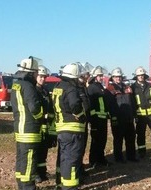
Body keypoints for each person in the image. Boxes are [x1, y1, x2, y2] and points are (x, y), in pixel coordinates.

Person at [52, 62, 87, 190]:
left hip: (61, 129)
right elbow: (75, 105)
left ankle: (60, 183)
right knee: (72, 160)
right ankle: (70, 187)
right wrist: (82, 116)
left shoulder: (58, 86)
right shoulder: (71, 88)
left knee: (64, 158)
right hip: (72, 129)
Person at [11, 57, 43, 190]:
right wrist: (41, 116)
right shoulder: (29, 86)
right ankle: (28, 186)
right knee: (29, 161)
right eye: (36, 72)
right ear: (30, 73)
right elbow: (34, 108)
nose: (37, 75)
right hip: (29, 129)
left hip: (19, 128)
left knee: (21, 160)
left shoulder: (16, 85)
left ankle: (21, 185)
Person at [106, 67, 138, 163]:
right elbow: (109, 105)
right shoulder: (109, 89)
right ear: (112, 78)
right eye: (116, 77)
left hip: (128, 117)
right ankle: (119, 158)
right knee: (118, 139)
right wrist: (113, 116)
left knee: (131, 138)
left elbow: (133, 102)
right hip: (118, 118)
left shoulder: (127, 88)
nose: (118, 79)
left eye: (119, 77)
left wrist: (134, 115)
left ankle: (131, 156)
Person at [131, 66, 151, 158]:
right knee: (140, 133)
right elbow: (132, 101)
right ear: (136, 76)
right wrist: (134, 115)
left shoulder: (149, 85)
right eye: (139, 75)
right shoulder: (133, 87)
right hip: (140, 114)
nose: (141, 77)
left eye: (142, 75)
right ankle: (142, 151)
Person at [35, 65, 56, 183]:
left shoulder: (45, 90)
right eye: (40, 77)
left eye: (44, 77)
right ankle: (36, 173)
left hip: (47, 126)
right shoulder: (34, 90)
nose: (42, 79)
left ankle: (42, 172)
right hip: (37, 126)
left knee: (44, 151)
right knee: (36, 151)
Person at [87, 66, 111, 167]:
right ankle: (93, 161)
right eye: (99, 76)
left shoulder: (100, 87)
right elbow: (90, 104)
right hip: (96, 119)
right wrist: (92, 118)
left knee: (102, 140)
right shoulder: (92, 87)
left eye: (102, 76)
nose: (101, 77)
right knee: (96, 140)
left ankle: (101, 159)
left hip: (103, 118)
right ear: (95, 76)